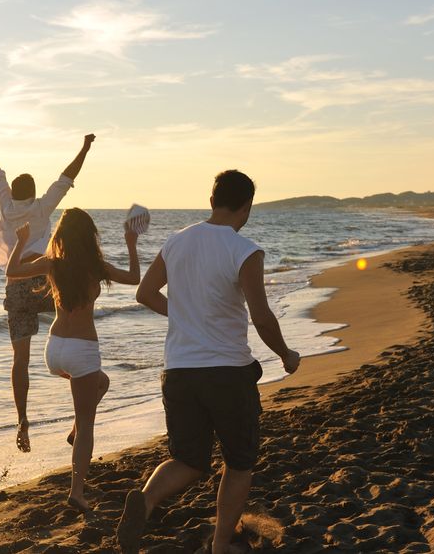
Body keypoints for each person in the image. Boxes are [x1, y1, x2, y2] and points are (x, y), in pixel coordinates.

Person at [117, 170, 301, 554]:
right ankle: (220, 545)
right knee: (238, 462)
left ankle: (147, 500)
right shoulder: (244, 250)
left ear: (212, 199)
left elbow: (145, 293)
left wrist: (187, 316)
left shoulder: (176, 241)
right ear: (247, 205)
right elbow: (262, 316)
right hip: (227, 373)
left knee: (187, 459)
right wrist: (286, 354)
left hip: (179, 371)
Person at [5, 209, 141, 511]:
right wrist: (131, 242)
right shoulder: (96, 267)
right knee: (88, 424)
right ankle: (77, 492)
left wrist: (22, 241)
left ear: (62, 236)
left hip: (54, 351)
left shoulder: (52, 264)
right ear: (90, 237)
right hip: (82, 350)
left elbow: (12, 272)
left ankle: (74, 432)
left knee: (101, 383)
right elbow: (134, 278)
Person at [0, 133, 95, 452]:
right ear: (35, 193)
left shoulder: (5, 204)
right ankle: (80, 419)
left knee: (20, 360)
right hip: (45, 279)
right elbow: (67, 178)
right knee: (74, 335)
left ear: (14, 191)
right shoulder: (42, 207)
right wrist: (84, 147)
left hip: (17, 284)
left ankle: (22, 420)